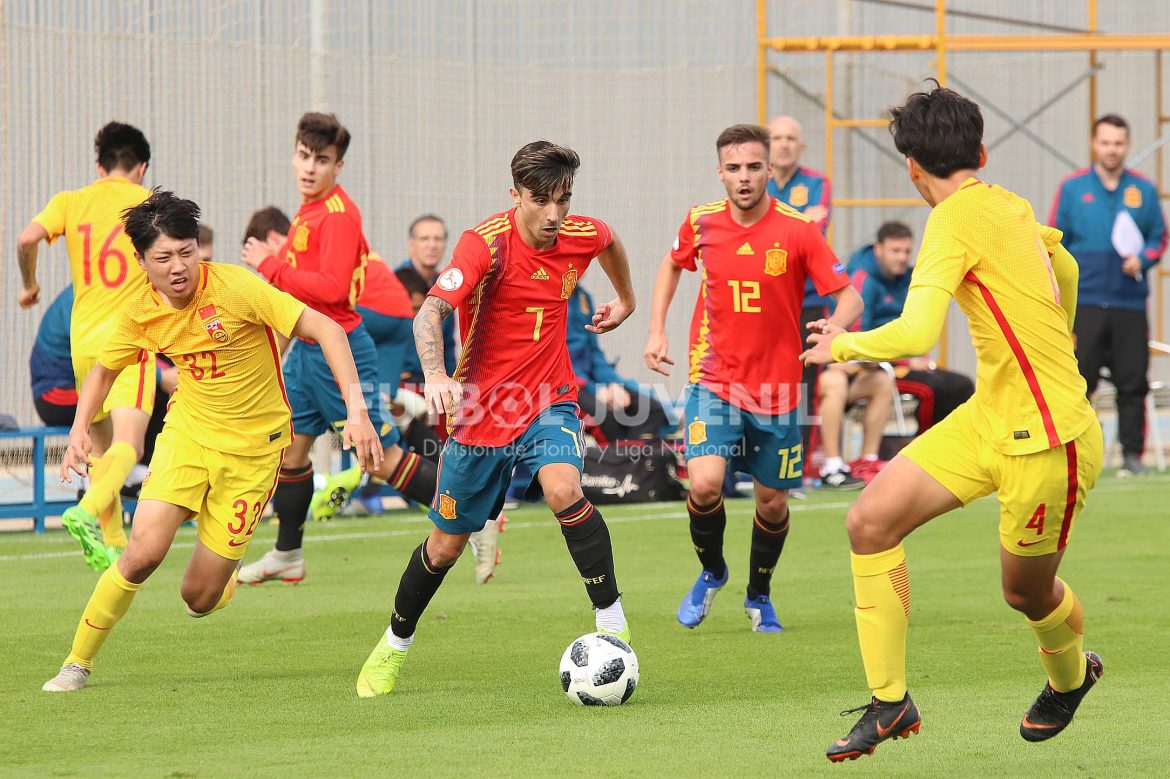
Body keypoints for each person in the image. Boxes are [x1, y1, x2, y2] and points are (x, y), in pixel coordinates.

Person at [801, 85, 1104, 761]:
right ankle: (890, 700)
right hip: (991, 416)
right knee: (869, 521)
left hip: (1050, 441)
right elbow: (1067, 263)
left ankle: (1071, 675)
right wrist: (1065, 331)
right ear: (982, 151)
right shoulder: (1010, 202)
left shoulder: (952, 221)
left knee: (1024, 592)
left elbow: (916, 329)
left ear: (912, 167)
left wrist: (840, 346)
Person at [41, 190, 381, 692]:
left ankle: (224, 569)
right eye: (164, 257)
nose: (179, 266)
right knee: (142, 552)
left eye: (187, 251)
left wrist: (357, 409)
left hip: (254, 453)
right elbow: (103, 371)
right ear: (141, 261)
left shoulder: (238, 287)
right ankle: (76, 663)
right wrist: (78, 429)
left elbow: (327, 328)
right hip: (189, 436)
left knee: (198, 599)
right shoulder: (140, 311)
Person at [354, 140, 637, 697]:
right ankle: (394, 643)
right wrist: (436, 376)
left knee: (563, 489)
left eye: (564, 200)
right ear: (516, 195)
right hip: (482, 411)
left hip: (548, 398)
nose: (555, 215)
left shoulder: (580, 232)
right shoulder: (484, 245)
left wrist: (625, 300)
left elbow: (610, 241)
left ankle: (611, 620)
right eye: (542, 201)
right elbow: (429, 313)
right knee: (444, 548)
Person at [644, 124, 861, 633]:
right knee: (703, 484)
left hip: (780, 390)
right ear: (720, 172)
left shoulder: (799, 228)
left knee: (773, 501)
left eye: (753, 167)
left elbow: (850, 295)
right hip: (713, 380)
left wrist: (836, 329)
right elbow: (672, 266)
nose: (744, 177)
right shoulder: (700, 222)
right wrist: (657, 330)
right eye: (734, 168)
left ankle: (759, 595)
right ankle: (712, 571)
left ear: (769, 170)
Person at [238, 113, 439, 586]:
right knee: (290, 452)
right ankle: (288, 553)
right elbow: (296, 304)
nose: (309, 167)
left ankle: (474, 513)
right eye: (303, 155)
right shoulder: (308, 211)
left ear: (338, 165)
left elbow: (329, 292)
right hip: (308, 356)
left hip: (340, 351)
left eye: (322, 159)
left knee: (380, 459)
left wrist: (270, 265)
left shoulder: (340, 215)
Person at [17, 122, 156, 571]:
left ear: (99, 165)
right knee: (131, 445)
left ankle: (113, 545)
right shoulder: (147, 202)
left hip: (84, 344)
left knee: (100, 446)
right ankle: (83, 509)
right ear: (142, 167)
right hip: (130, 339)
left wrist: (30, 283)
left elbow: (27, 238)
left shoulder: (71, 202)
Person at [1050, 114, 1168, 477]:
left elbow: (1159, 237)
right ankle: (1075, 456)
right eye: (1105, 142)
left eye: (1118, 143)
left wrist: (1144, 259)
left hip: (1129, 303)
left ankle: (1133, 456)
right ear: (1093, 143)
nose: (1112, 149)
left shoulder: (1144, 190)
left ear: (1127, 145)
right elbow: (1054, 241)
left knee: (1132, 381)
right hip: (1083, 302)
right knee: (1077, 382)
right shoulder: (1072, 188)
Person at [849, 221, 974, 434]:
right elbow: (858, 337)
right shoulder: (863, 279)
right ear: (878, 250)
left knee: (963, 385)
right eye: (895, 251)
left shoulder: (910, 277)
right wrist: (906, 360)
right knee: (931, 391)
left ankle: (949, 450)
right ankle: (923, 451)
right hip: (875, 368)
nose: (902, 257)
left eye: (907, 251)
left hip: (909, 360)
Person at [766, 115, 836, 480]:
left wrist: (776, 228)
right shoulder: (755, 183)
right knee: (764, 378)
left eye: (791, 138)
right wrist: (798, 221)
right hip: (765, 302)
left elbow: (811, 232)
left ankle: (802, 469)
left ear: (801, 146)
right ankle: (761, 464)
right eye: (776, 137)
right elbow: (795, 228)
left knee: (806, 384)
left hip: (807, 301)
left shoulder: (817, 183)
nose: (784, 144)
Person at [568, 283, 670, 442]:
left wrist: (614, 384)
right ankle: (619, 463)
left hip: (592, 382)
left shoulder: (583, 297)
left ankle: (635, 463)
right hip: (567, 386)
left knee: (651, 408)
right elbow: (551, 358)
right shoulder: (548, 300)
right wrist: (597, 391)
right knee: (608, 418)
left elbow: (594, 353)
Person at [397, 214, 457, 378]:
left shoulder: (447, 285)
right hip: (400, 382)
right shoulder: (394, 284)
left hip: (436, 381)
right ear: (411, 244)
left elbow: (448, 343)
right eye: (424, 238)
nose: (432, 245)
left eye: (438, 239)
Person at [30, 286, 78, 426]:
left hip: (74, 386)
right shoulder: (79, 298)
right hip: (53, 393)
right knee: (124, 406)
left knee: (135, 405)